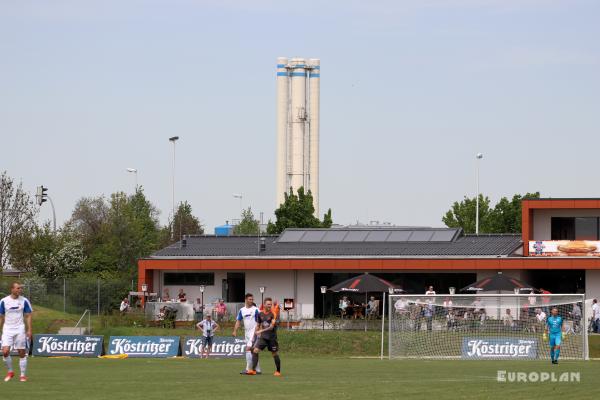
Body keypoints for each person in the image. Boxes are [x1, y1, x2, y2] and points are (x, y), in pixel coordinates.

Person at [0, 282, 33, 382]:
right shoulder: (4, 301)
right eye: (18, 288)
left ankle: (22, 375)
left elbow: (28, 315)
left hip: (19, 329)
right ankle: (10, 372)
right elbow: (1, 317)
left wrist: (29, 329)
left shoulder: (24, 300)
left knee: (21, 352)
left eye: (21, 288)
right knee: (5, 351)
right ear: (12, 289)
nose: (20, 290)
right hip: (7, 329)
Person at [246, 298, 281, 376]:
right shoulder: (260, 314)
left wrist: (260, 331)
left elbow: (271, 327)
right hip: (263, 338)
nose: (270, 306)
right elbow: (258, 325)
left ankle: (278, 371)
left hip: (272, 338)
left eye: (270, 304)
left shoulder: (273, 314)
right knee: (255, 350)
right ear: (264, 305)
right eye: (268, 304)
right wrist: (254, 336)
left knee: (274, 354)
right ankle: (253, 370)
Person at [233, 293, 261, 375]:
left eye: (252, 299)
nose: (251, 301)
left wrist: (259, 331)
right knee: (253, 351)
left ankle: (249, 369)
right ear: (246, 300)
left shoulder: (256, 309)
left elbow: (261, 320)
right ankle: (257, 369)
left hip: (254, 332)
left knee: (248, 349)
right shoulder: (242, 310)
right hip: (247, 333)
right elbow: (238, 321)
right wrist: (235, 331)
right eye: (250, 299)